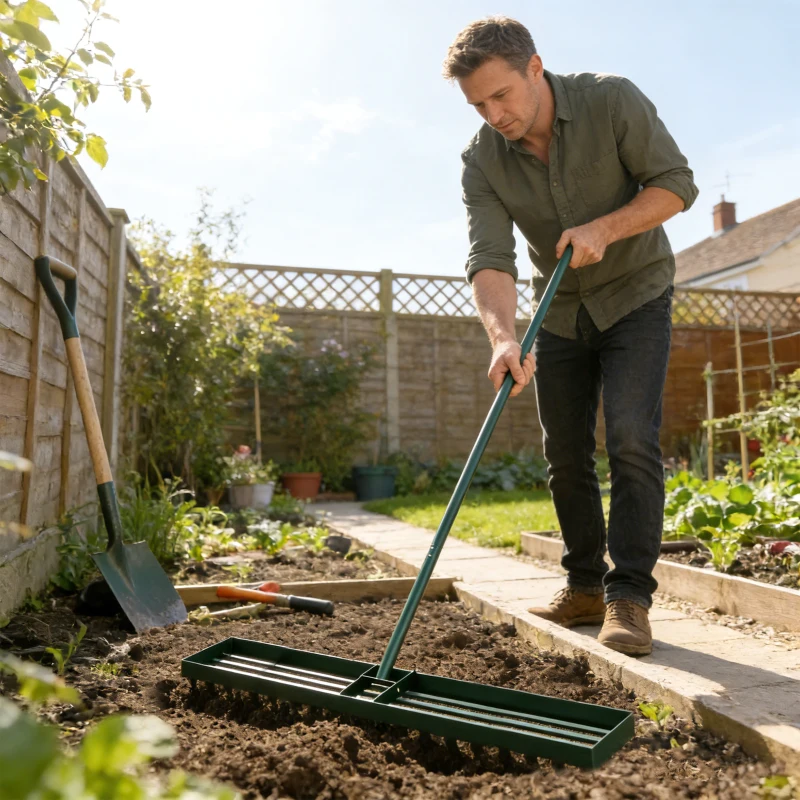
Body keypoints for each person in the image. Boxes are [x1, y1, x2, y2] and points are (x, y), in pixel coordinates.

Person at [444, 17, 698, 656]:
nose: (494, 115)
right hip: (558, 310)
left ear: (534, 67)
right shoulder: (482, 159)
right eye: (478, 105)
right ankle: (584, 586)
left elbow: (676, 184)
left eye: (501, 95)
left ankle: (629, 597)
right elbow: (490, 258)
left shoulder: (610, 100)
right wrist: (503, 338)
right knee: (563, 452)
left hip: (636, 292)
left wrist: (605, 229)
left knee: (631, 437)